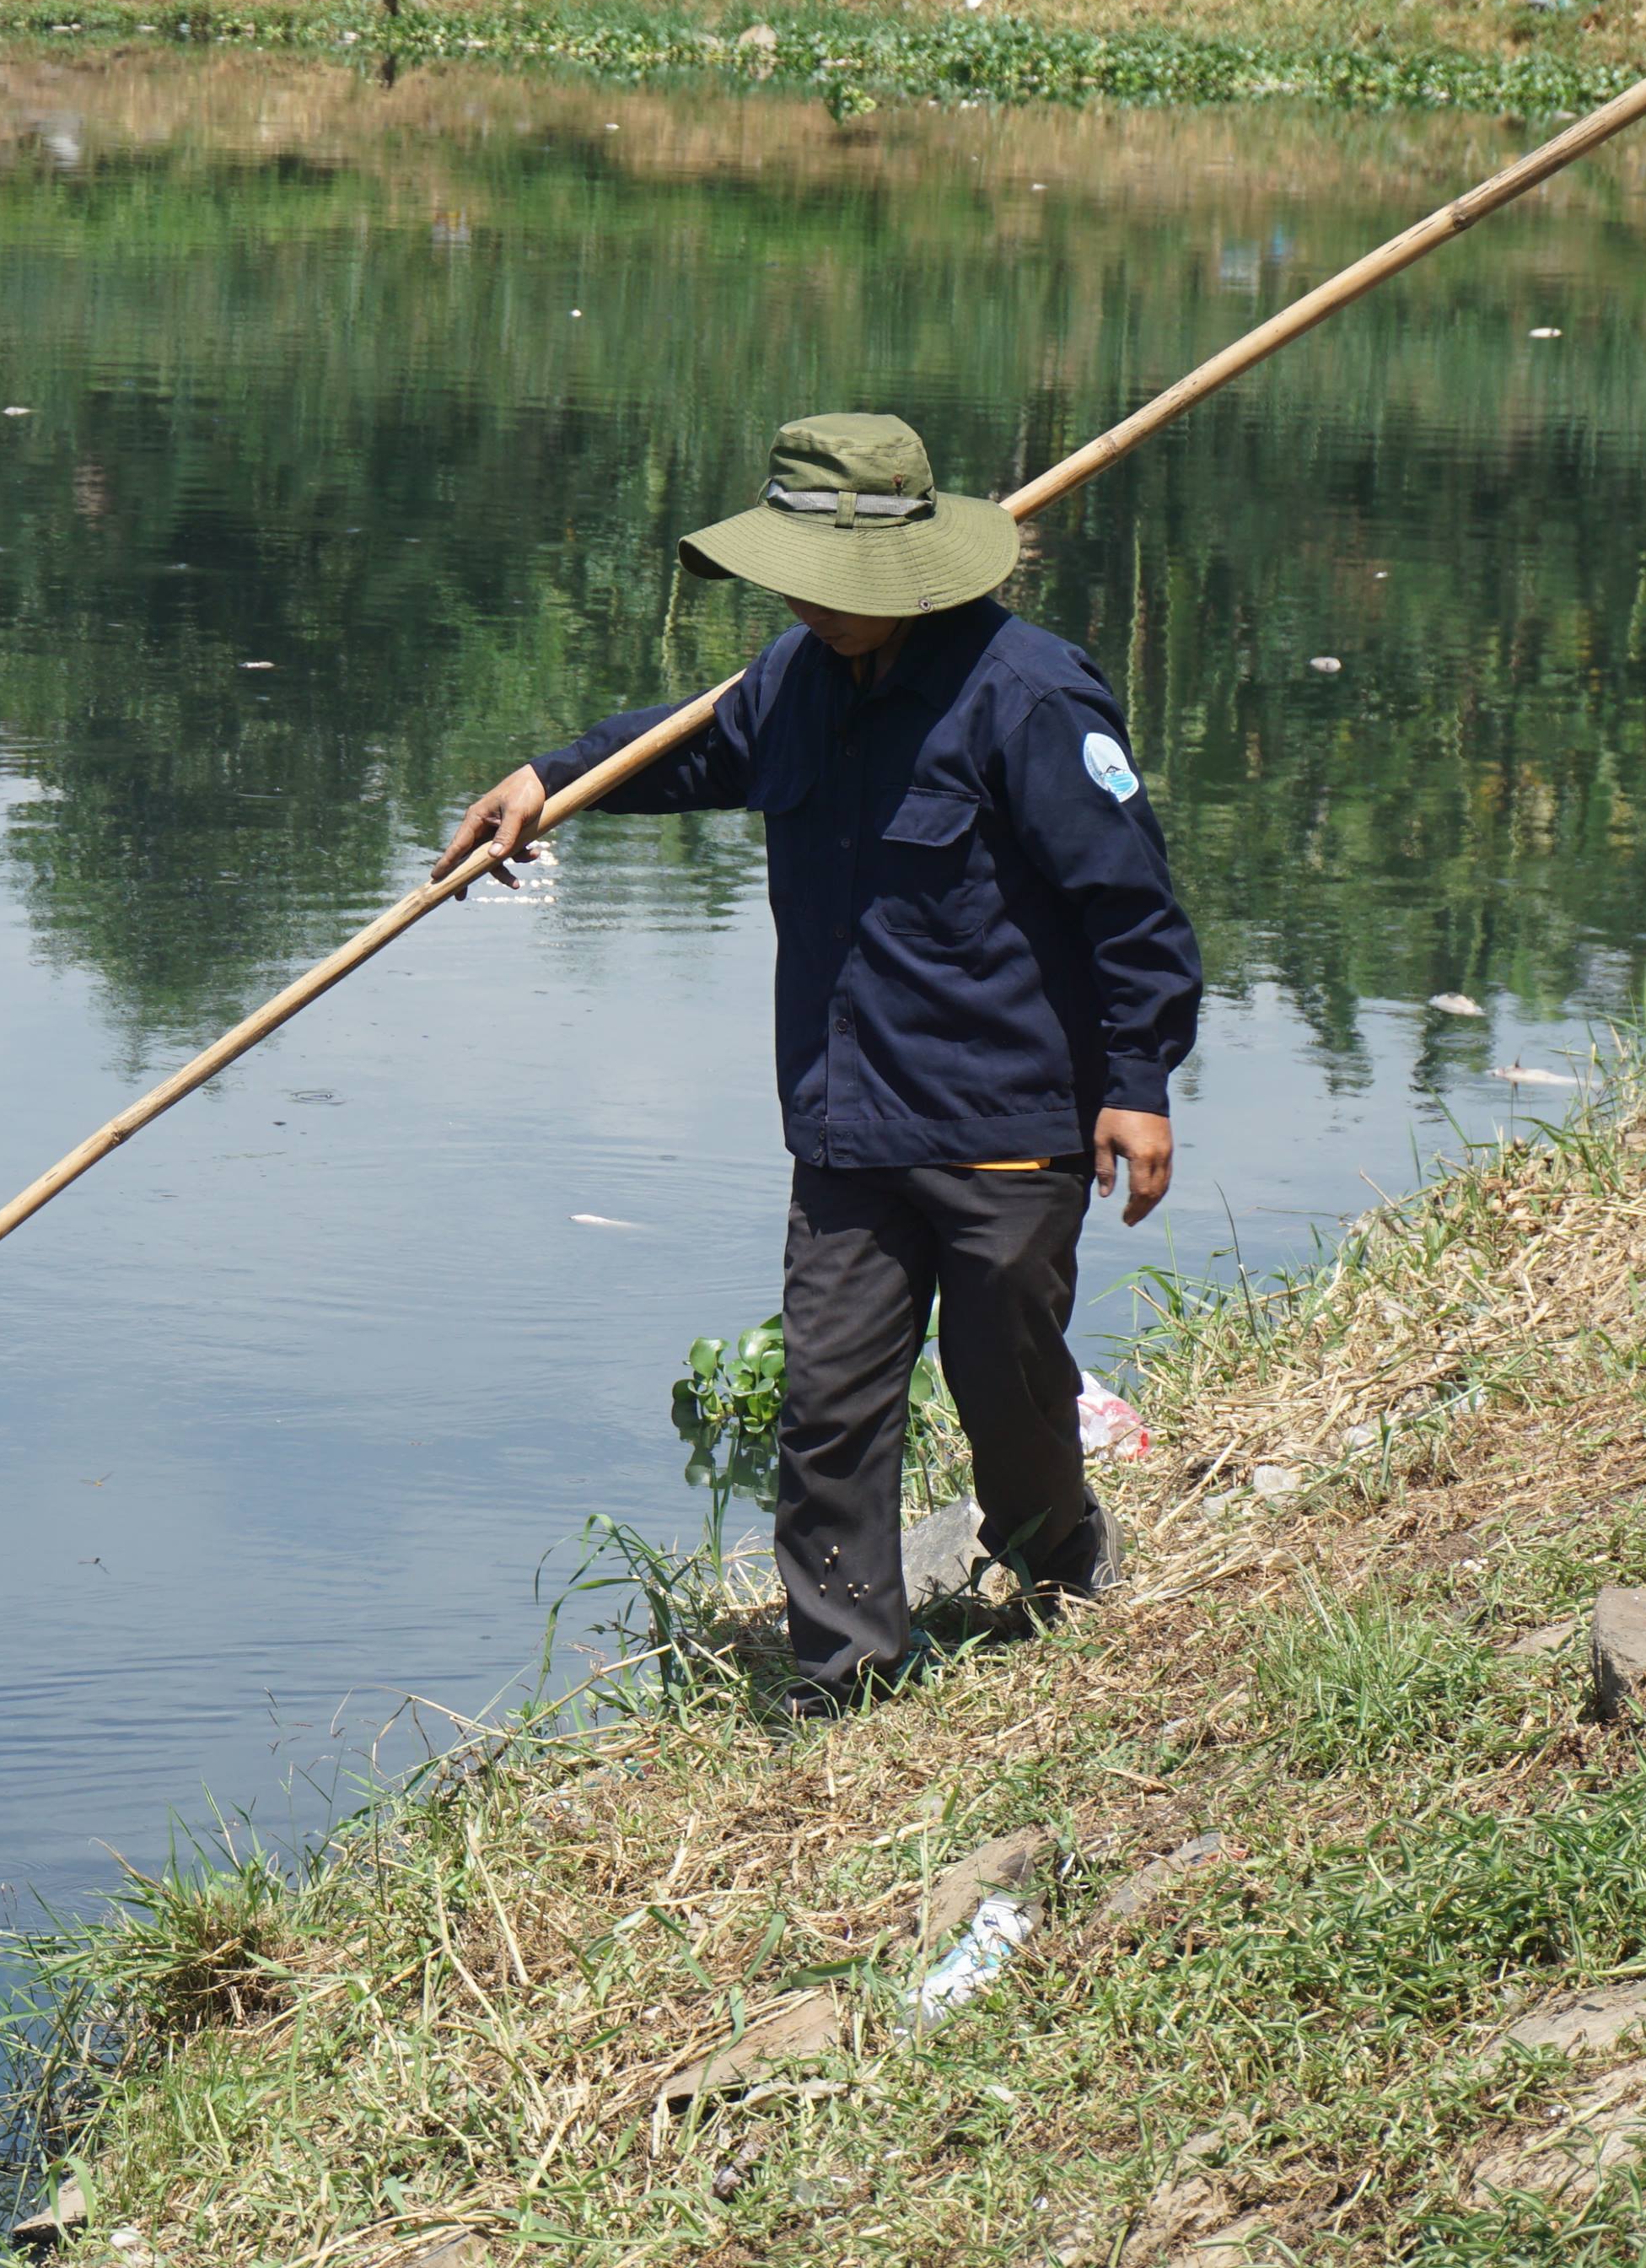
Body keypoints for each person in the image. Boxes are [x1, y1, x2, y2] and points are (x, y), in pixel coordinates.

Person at [433, 412, 1202, 1717]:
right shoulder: (793, 679)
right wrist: (549, 780)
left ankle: (1056, 1551)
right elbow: (686, 745)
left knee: (1006, 1376)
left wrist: (1137, 1082)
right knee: (829, 1400)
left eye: (835, 584)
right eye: (796, 577)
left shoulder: (1028, 695)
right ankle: (845, 1674)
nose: (809, 605)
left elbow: (1134, 910)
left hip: (1005, 1118)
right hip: (848, 1127)